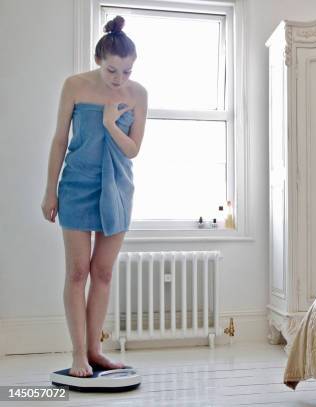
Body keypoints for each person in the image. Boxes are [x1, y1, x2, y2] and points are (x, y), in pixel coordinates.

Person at [40, 15, 147, 377]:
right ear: (99, 61)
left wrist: (108, 124)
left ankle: (95, 350)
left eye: (127, 72)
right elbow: (59, 140)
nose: (119, 79)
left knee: (102, 273)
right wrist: (49, 191)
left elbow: (133, 150)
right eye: (112, 71)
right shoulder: (74, 85)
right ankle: (78, 355)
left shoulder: (138, 95)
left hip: (117, 187)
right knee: (77, 272)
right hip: (76, 185)